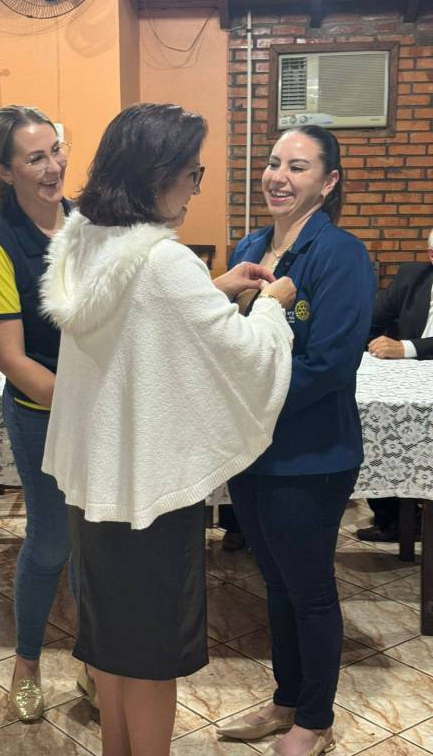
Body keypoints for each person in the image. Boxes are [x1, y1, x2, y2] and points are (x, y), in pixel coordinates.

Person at [40, 103, 296, 756]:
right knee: (151, 656)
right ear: (157, 175)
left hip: (96, 485)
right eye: (192, 173)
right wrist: (272, 307)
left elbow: (137, 321)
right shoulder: (162, 261)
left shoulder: (88, 242)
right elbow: (246, 356)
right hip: (148, 491)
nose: (195, 188)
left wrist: (213, 288)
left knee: (113, 647)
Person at [217, 125, 375, 756]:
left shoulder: (341, 255)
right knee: (275, 583)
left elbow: (330, 364)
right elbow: (229, 343)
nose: (278, 176)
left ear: (328, 182)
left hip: (310, 453)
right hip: (252, 449)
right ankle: (286, 701)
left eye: (298, 167)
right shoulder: (250, 247)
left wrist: (251, 397)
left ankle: (315, 719)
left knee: (308, 590)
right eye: (274, 162)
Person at [0, 105, 72, 721]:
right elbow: (11, 358)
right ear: (5, 171)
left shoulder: (88, 224)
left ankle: (95, 661)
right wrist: (86, 405)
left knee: (97, 545)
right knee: (53, 541)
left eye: (56, 150)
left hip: (100, 414)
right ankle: (27, 662)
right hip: (43, 412)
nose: (53, 166)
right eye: (36, 157)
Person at [356, 228, 433, 542]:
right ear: (431, 256)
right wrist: (363, 345)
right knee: (375, 421)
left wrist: (407, 348)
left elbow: (406, 348)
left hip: (417, 367)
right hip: (407, 380)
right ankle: (394, 519)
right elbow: (372, 319)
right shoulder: (412, 277)